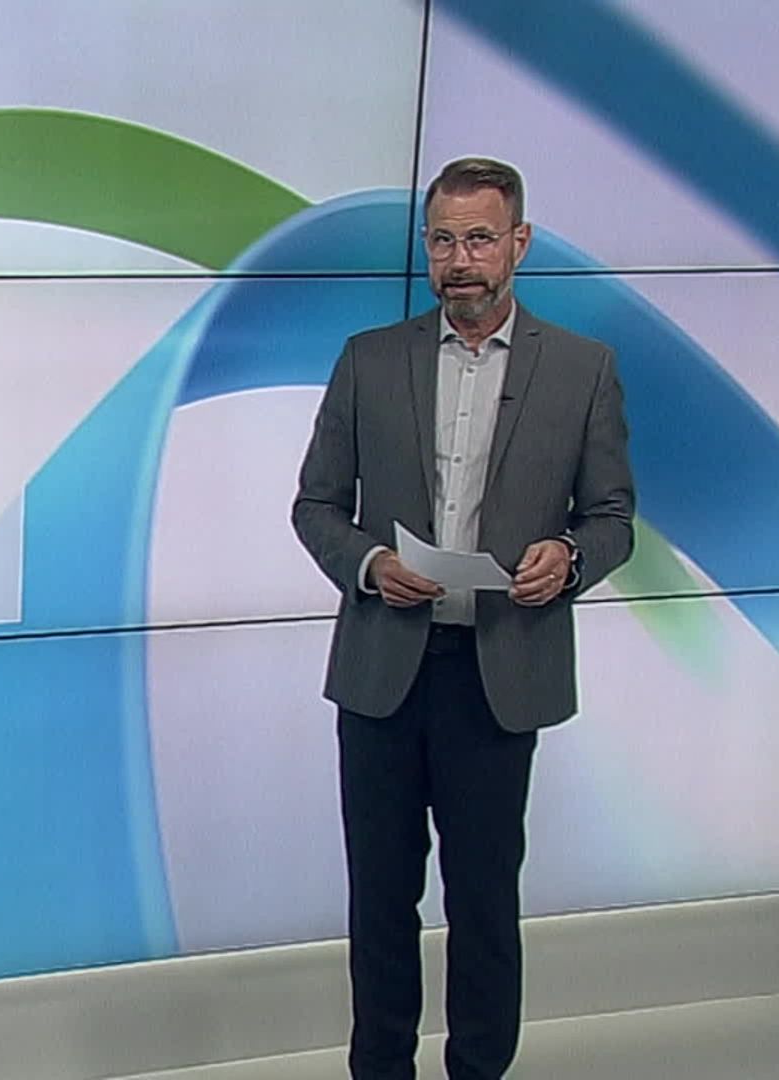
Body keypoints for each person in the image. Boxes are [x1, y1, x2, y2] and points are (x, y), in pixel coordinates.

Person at [290, 157, 636, 1079]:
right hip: (383, 673)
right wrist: (370, 565)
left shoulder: (583, 371)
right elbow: (316, 506)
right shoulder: (369, 361)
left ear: (520, 243)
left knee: (483, 903)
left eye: (480, 239)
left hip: (498, 673)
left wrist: (569, 560)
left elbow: (612, 519)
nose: (460, 261)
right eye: (442, 241)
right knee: (380, 901)